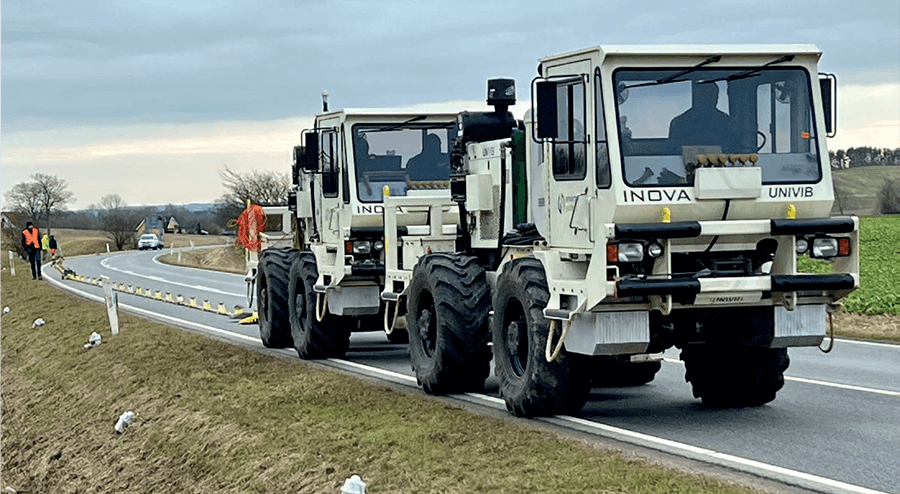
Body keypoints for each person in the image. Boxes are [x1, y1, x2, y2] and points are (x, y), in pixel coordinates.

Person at [668, 82, 732, 149]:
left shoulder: (725, 121)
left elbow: (730, 148)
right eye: (705, 96)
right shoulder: (680, 122)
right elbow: (674, 151)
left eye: (713, 95)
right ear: (697, 97)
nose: (710, 100)